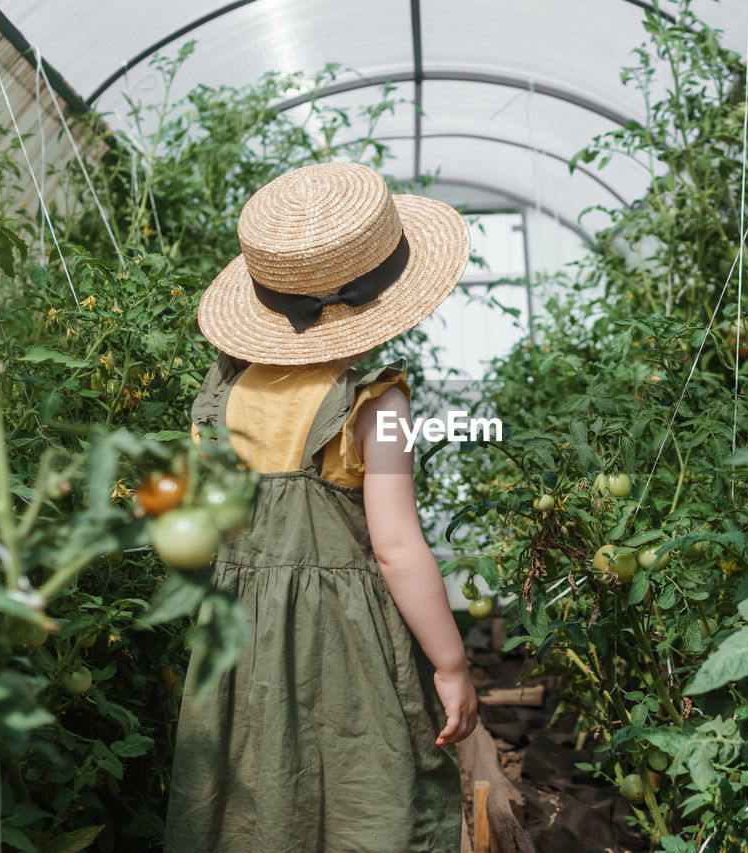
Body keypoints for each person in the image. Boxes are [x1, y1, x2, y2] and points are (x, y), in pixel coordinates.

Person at [162, 161, 478, 852]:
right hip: (347, 640)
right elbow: (396, 547)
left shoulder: (222, 395)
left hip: (239, 634)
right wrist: (451, 664)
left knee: (251, 792)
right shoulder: (376, 401)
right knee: (368, 791)